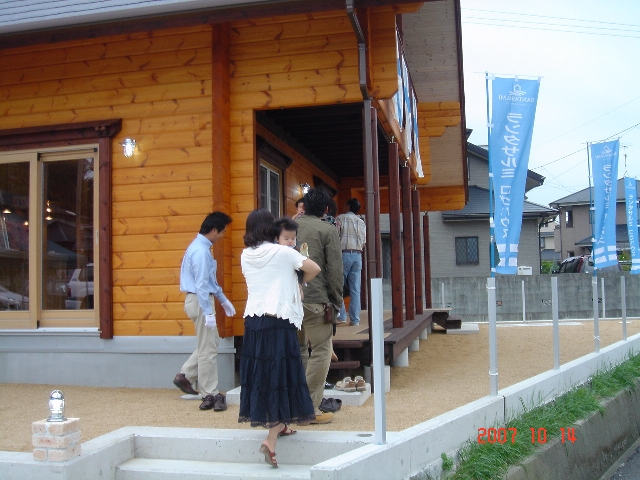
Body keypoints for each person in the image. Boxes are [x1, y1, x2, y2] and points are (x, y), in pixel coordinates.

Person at [239, 209, 320, 468]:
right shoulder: (283, 252)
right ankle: (271, 440)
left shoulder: (245, 255)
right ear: (270, 229)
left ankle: (282, 425)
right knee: (280, 377)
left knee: (262, 375)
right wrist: (299, 284)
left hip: (253, 321)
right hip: (279, 320)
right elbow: (313, 268)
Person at [173, 212, 236, 411]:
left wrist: (222, 299)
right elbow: (201, 284)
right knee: (208, 348)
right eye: (222, 231)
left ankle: (186, 375)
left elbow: (209, 281)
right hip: (200, 300)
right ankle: (209, 391)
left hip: (199, 300)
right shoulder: (200, 251)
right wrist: (208, 311)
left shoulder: (201, 247)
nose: (222, 236)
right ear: (214, 230)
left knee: (210, 342)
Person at [296, 188, 343, 424]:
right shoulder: (327, 230)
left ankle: (295, 404)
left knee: (300, 351)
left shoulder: (288, 227)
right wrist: (337, 301)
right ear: (326, 210)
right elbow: (335, 270)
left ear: (303, 206)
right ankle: (309, 407)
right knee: (322, 351)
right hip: (317, 300)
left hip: (290, 300)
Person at [336, 198, 366, 326]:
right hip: (358, 255)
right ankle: (355, 320)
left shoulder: (340, 218)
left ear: (347, 206)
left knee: (338, 286)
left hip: (344, 253)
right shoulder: (361, 222)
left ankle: (342, 316)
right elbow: (364, 242)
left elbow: (335, 236)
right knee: (355, 289)